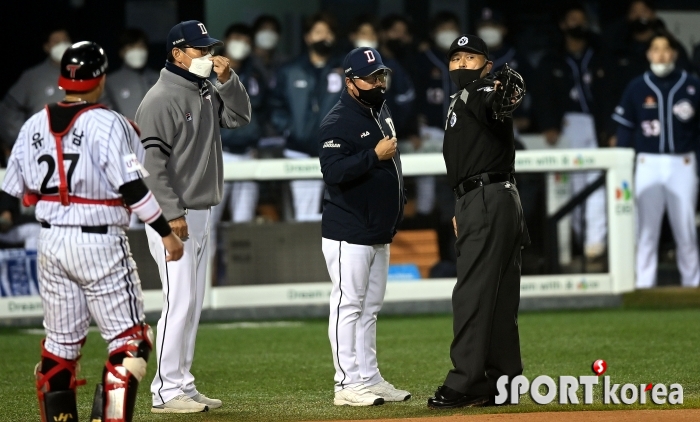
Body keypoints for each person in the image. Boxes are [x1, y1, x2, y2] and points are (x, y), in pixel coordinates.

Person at [0, 41, 184, 422]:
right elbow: (132, 187)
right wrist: (165, 232)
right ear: (100, 79)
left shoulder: (34, 123)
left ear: (62, 78)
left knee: (60, 347)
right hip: (98, 241)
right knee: (130, 341)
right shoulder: (109, 121)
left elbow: (12, 190)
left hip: (49, 240)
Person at [135, 20, 251, 413]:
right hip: (176, 216)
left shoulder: (202, 88)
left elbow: (240, 118)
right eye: (200, 50)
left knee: (192, 302)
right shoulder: (160, 98)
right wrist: (170, 214)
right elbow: (150, 167)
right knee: (180, 301)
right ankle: (165, 390)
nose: (208, 55)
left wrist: (228, 78)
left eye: (208, 48)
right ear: (177, 54)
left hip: (201, 212)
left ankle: (182, 381)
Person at [427, 34, 528, 409]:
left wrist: (503, 93)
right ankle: (501, 382)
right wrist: (463, 203)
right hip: (488, 197)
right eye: (456, 58)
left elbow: (496, 102)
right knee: (499, 297)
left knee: (472, 294)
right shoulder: (459, 100)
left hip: (488, 198)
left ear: (487, 64)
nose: (462, 64)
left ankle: (466, 382)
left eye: (471, 58)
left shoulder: (483, 89)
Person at [320, 46, 409, 407]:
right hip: (348, 230)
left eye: (380, 75)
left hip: (377, 230)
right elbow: (333, 171)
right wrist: (373, 156)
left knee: (369, 308)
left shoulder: (381, 111)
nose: (377, 82)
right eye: (370, 77)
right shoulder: (338, 120)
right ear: (350, 82)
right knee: (348, 305)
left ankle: (369, 378)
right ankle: (346, 383)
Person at [612, 31, 700, 289]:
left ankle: (694, 286)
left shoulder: (691, 84)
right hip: (647, 163)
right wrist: (622, 165)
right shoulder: (637, 86)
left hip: (682, 162)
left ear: (674, 53)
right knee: (646, 230)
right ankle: (644, 285)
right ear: (649, 54)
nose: (661, 54)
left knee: (686, 230)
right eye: (656, 49)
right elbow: (625, 129)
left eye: (666, 49)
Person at [534, 3, 608, 261]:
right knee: (573, 186)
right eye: (573, 20)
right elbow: (543, 96)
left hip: (596, 124)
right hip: (570, 125)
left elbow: (609, 95)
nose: (578, 25)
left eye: (582, 20)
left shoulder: (599, 54)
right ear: (564, 24)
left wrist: (610, 128)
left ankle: (594, 242)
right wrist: (548, 124)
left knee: (597, 183)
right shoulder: (553, 57)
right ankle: (579, 242)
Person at [269, 12, 343, 221]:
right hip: (299, 151)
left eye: (329, 33)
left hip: (337, 152)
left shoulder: (345, 70)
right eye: (318, 32)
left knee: (341, 214)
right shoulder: (290, 70)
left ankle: (336, 256)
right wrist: (290, 129)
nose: (324, 37)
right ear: (308, 37)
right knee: (306, 215)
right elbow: (275, 106)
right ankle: (309, 255)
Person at [210, 23, 266, 255]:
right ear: (226, 40)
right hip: (218, 155)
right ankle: (207, 280)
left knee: (243, 224)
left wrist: (258, 140)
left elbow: (263, 112)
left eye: (245, 40)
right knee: (209, 222)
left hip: (247, 154)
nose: (240, 44)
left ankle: (237, 278)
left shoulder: (256, 73)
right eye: (236, 38)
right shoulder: (208, 70)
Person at [0, 27, 72, 150]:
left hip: (79, 146)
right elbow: (8, 109)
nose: (62, 45)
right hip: (42, 149)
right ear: (46, 47)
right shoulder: (32, 77)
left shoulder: (85, 72)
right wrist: (24, 138)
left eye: (65, 40)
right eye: (56, 41)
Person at [475, 7, 534, 132]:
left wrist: (526, 115)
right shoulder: (468, 59)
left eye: (492, 25)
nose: (487, 30)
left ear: (503, 29)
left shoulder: (517, 57)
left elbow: (533, 90)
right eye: (484, 26)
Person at [105, 28, 159, 120]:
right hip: (125, 133)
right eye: (131, 46)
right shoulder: (110, 82)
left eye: (141, 46)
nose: (137, 50)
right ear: (121, 52)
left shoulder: (160, 78)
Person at [251, 14, 288, 88]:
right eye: (264, 29)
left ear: (278, 36)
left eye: (272, 30)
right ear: (254, 33)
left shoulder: (285, 62)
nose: (268, 34)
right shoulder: (245, 60)